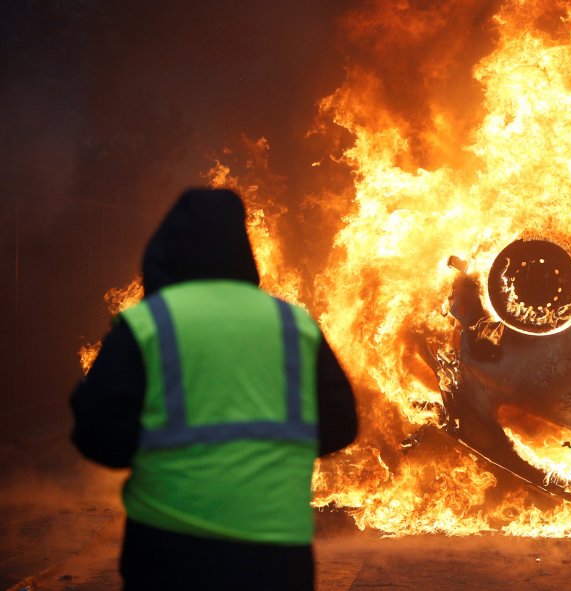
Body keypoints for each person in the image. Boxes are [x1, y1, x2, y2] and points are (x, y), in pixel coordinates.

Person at [71, 188, 358, 590]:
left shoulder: (148, 324)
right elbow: (341, 425)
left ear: (167, 250)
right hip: (275, 552)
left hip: (169, 552)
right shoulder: (293, 325)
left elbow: (97, 434)